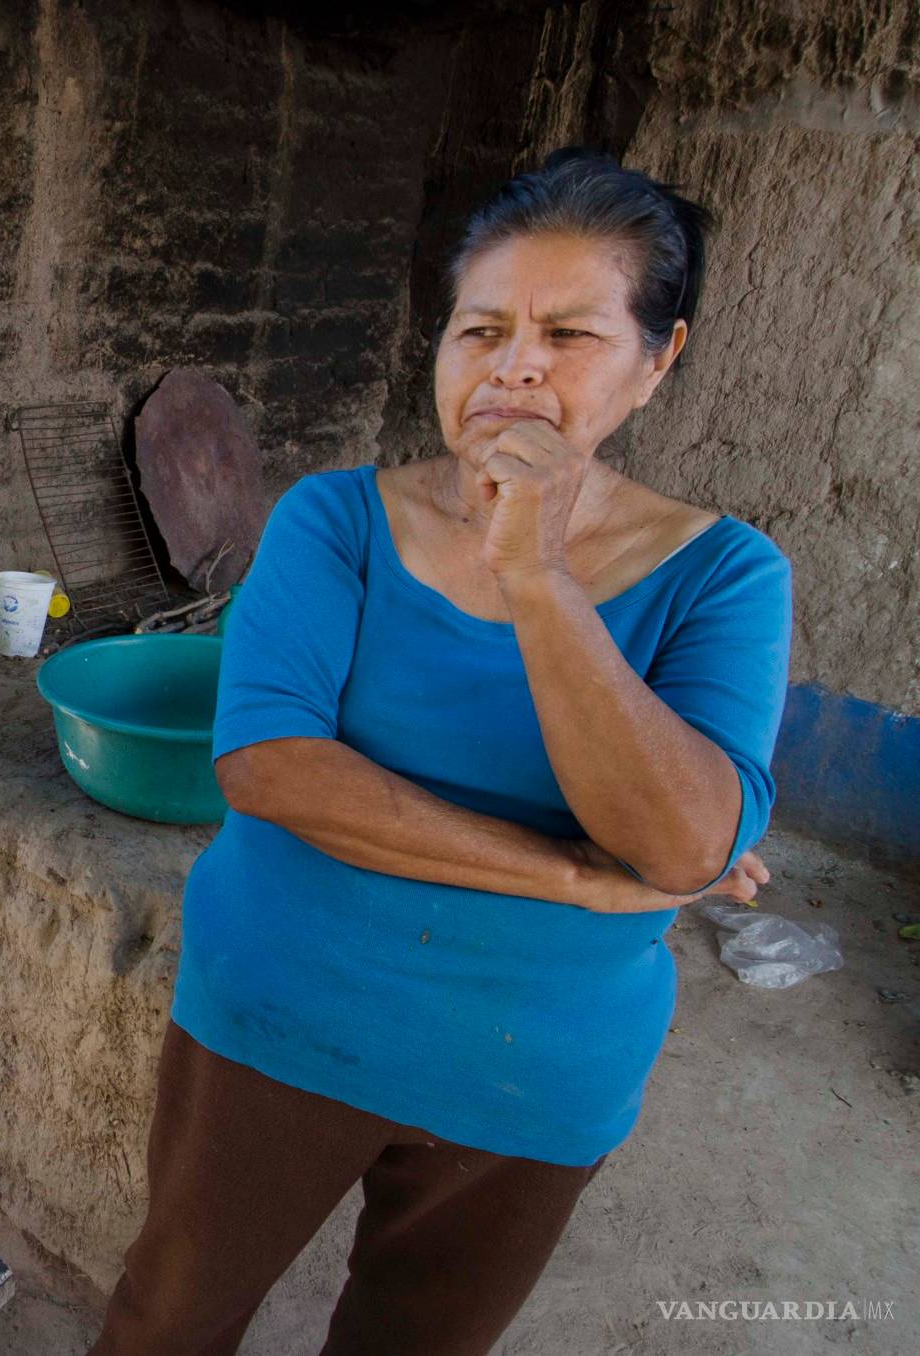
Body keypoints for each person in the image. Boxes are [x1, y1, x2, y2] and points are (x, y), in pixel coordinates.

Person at [92, 149, 793, 1355]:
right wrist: (571, 874)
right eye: (480, 329)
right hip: (279, 1015)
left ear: (657, 361)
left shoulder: (727, 576)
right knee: (170, 1319)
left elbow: (682, 840)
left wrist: (538, 573)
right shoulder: (336, 519)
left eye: (569, 334)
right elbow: (268, 766)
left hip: (532, 1072)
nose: (514, 364)